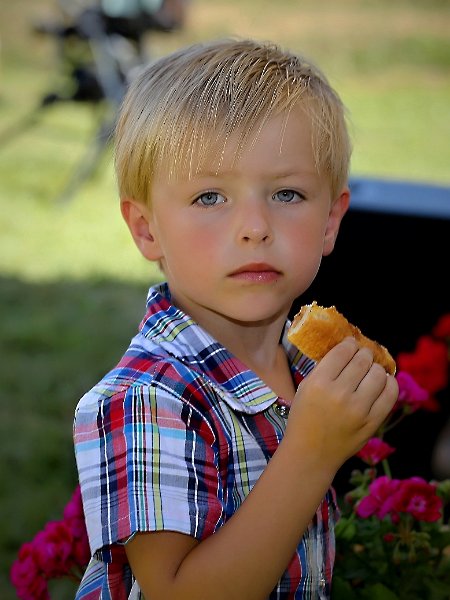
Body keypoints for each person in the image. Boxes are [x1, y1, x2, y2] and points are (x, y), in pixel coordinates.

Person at [73, 38, 399, 599]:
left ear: (330, 220)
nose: (254, 227)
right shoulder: (147, 399)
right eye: (209, 198)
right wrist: (312, 452)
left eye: (287, 194)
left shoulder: (304, 366)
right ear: (147, 230)